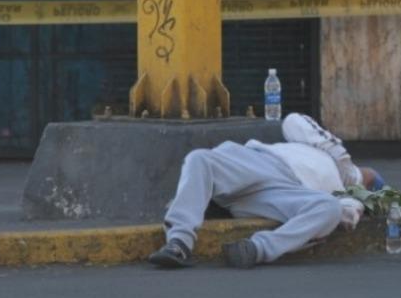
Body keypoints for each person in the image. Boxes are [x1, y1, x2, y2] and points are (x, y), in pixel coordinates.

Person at [147, 113, 383, 270]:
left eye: (369, 185)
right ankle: (179, 242)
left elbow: (345, 215)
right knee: (199, 158)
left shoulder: (347, 196)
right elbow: (293, 121)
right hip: (264, 162)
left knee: (329, 209)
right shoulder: (330, 151)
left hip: (286, 193)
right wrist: (344, 162)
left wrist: (355, 201)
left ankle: (255, 249)